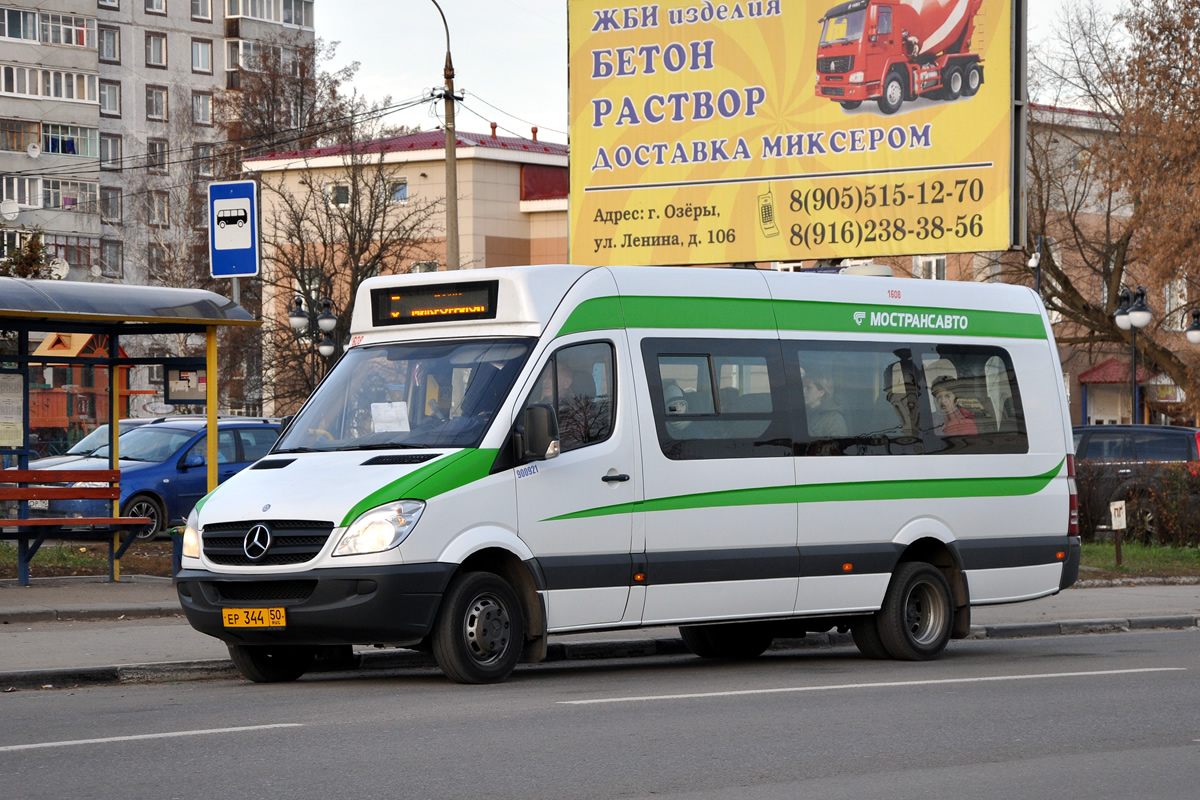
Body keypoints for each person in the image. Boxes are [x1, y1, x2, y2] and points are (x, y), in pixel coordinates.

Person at [801, 368, 847, 437]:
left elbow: (836, 446)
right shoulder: (799, 412)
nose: (803, 391)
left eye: (808, 388)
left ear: (821, 392)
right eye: (803, 387)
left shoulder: (834, 419)